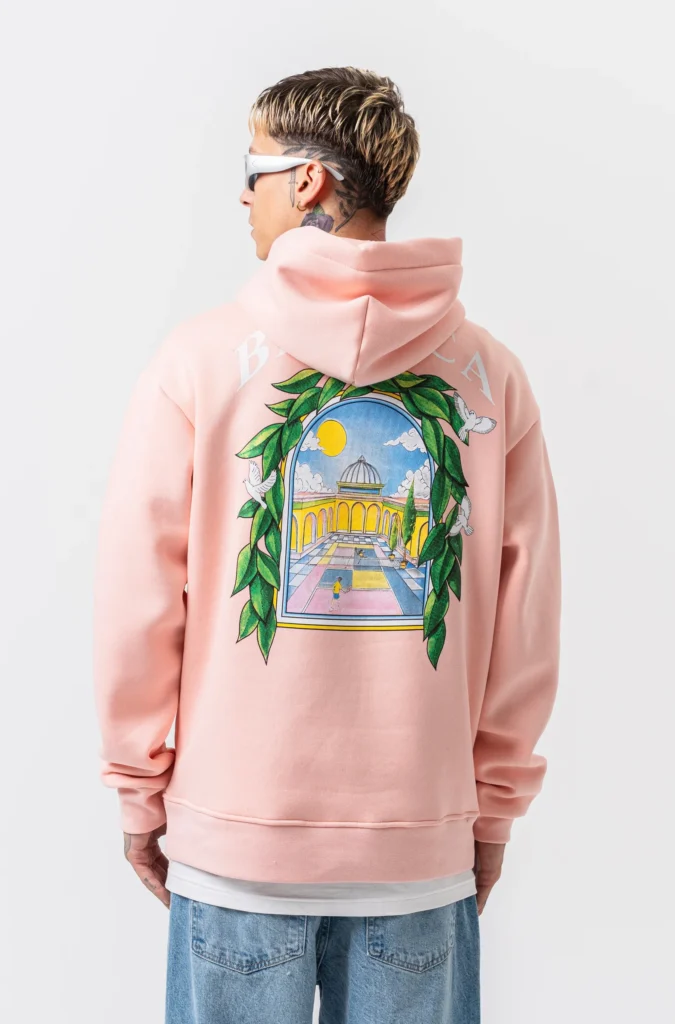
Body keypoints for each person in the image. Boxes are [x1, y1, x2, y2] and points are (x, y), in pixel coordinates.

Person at [93, 66, 562, 1024]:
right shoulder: (489, 377)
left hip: (238, 848)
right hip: (417, 851)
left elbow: (136, 606)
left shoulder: (196, 362)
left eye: (253, 172)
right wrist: (489, 807)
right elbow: (527, 625)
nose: (243, 197)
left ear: (306, 181)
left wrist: (140, 792)